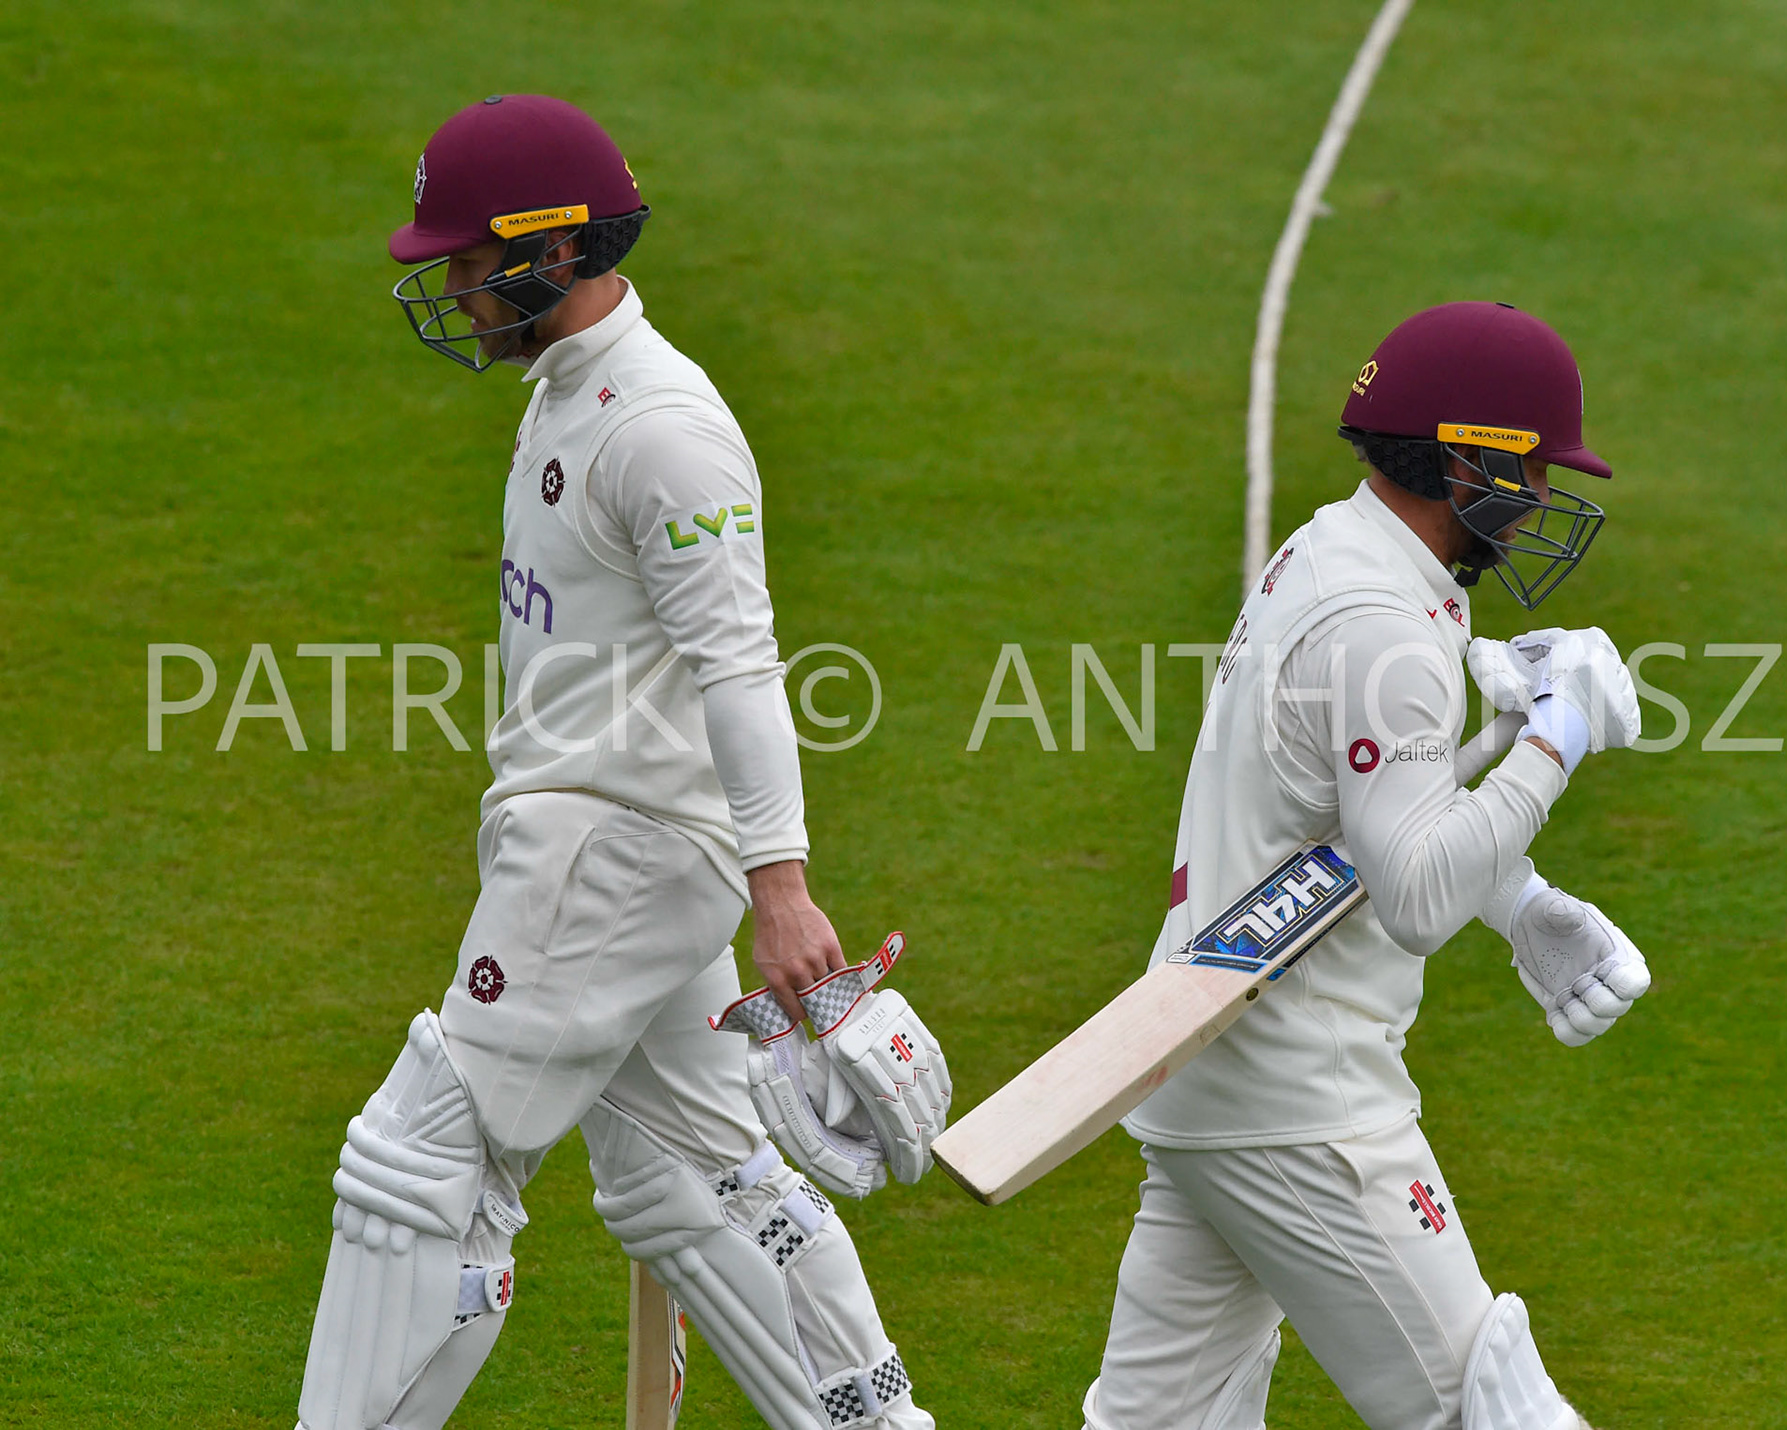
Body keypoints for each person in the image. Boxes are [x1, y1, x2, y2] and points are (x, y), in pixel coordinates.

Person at [296, 95, 941, 1430]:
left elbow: (743, 663)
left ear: (551, 251)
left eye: (469, 265)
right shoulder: (569, 393)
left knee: (420, 1159)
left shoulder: (662, 427)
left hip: (612, 850)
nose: (455, 291)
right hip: (603, 839)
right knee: (695, 1174)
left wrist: (783, 885)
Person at [1081, 302, 1651, 1430]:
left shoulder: (1331, 553)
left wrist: (1523, 900)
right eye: (1531, 471)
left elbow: (1350, 822)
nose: (1542, 499)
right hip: (1308, 1105)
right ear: (1464, 461)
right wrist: (1556, 737)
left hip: (1207, 1073)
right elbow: (1418, 893)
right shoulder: (1384, 623)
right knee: (1487, 1410)